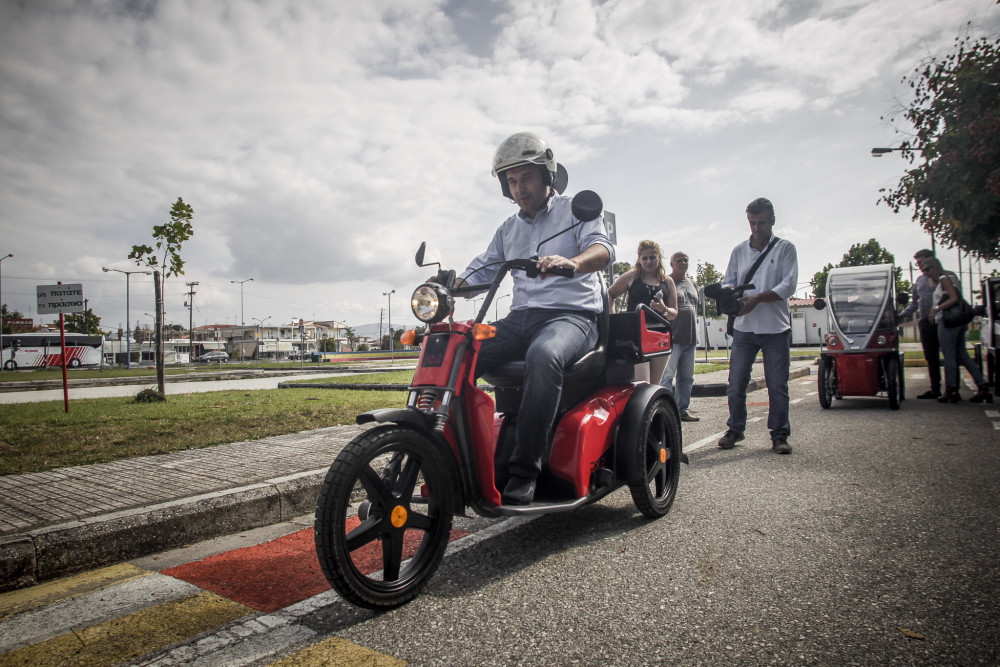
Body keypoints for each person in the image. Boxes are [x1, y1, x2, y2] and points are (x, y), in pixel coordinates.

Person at [456, 132, 614, 505]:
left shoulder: (575, 211)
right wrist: (452, 286)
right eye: (511, 181)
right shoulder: (508, 229)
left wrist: (571, 262)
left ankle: (525, 471)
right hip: (520, 320)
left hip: (572, 316)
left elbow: (602, 249)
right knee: (460, 351)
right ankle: (459, 456)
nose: (519, 188)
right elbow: (483, 270)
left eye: (526, 177)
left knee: (543, 355)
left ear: (547, 176)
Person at [717, 197, 798, 455]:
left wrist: (757, 299)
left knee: (777, 385)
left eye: (761, 223)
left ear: (772, 220)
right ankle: (735, 428)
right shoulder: (739, 251)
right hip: (745, 326)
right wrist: (731, 292)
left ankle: (779, 434)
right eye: (752, 223)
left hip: (775, 328)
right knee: (736, 383)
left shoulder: (785, 249)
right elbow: (728, 280)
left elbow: (788, 285)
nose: (756, 228)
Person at [919, 256, 992, 404]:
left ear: (935, 266)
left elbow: (954, 298)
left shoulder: (944, 278)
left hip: (948, 322)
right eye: (923, 270)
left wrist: (936, 309)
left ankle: (950, 388)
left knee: (949, 355)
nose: (926, 273)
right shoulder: (944, 280)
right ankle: (982, 385)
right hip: (956, 322)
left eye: (927, 269)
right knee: (962, 355)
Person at [608, 240, 677, 383]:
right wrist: (613, 318)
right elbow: (610, 294)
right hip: (636, 336)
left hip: (659, 336)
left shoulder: (668, 281)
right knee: (642, 383)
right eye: (644, 258)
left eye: (652, 257)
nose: (648, 261)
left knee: (654, 384)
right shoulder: (631, 276)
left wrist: (663, 309)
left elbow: (674, 312)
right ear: (639, 259)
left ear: (659, 258)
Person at [660, 251, 700, 422]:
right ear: (671, 264)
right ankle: (667, 411)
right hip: (672, 338)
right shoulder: (667, 282)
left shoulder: (692, 284)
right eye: (679, 260)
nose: (683, 263)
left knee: (687, 377)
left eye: (685, 260)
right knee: (667, 376)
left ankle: (683, 409)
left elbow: (695, 309)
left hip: (690, 338)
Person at [899, 249, 941, 398]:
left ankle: (952, 389)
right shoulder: (920, 281)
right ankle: (935, 389)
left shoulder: (945, 277)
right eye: (918, 264)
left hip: (943, 321)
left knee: (952, 355)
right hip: (926, 322)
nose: (921, 267)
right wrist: (903, 315)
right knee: (931, 357)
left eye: (922, 263)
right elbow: (915, 303)